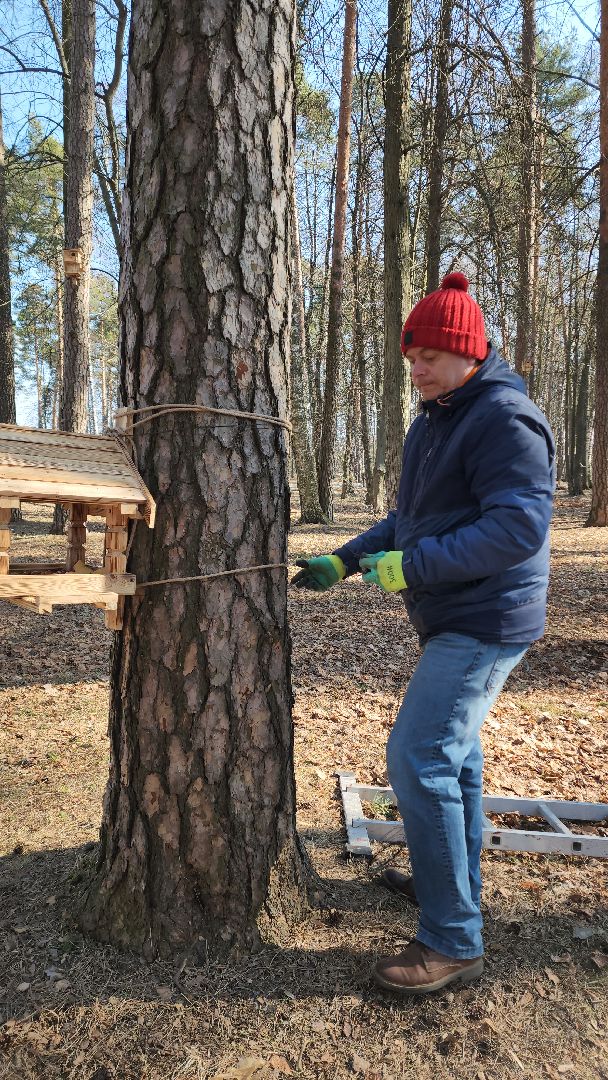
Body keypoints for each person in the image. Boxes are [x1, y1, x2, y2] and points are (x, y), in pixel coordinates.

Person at [293, 272, 555, 995]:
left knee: (419, 755)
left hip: (486, 617)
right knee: (455, 760)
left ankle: (452, 941)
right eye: (412, 356)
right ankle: (451, 886)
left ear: (471, 352)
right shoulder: (434, 420)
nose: (418, 368)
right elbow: (410, 522)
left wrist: (413, 567)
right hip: (454, 612)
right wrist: (346, 559)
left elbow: (518, 527)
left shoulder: (504, 418)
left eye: (433, 355)